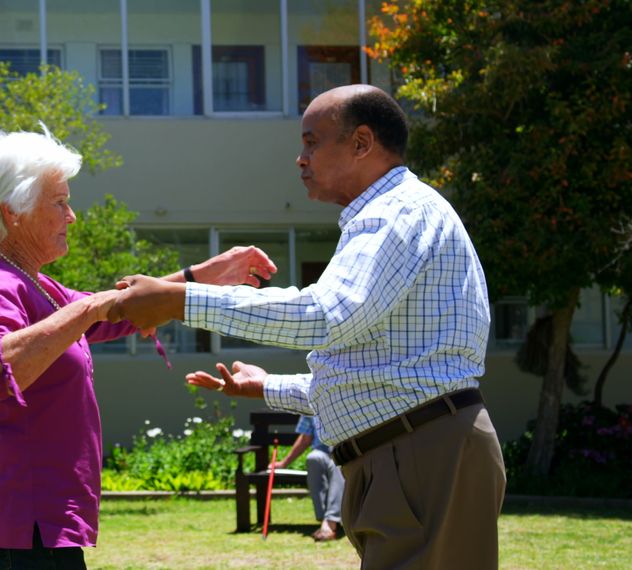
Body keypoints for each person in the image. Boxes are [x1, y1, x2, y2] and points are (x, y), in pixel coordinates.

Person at [107, 85, 506, 569]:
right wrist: (268, 388)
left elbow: (326, 315)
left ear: (362, 142)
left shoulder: (394, 213)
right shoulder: (391, 213)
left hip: (420, 452)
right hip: (414, 449)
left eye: (312, 141)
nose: (300, 159)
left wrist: (180, 300)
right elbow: (381, 374)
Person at [0, 125, 276, 569]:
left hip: (35, 526)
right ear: (13, 213)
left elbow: (111, 312)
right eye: (60, 202)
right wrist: (91, 311)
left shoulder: (33, 283)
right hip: (20, 527)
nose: (72, 216)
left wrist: (201, 276)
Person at [274, 414, 344, 542]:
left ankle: (331, 521)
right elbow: (305, 439)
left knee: (337, 464)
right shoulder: (310, 403)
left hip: (343, 450)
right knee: (312, 458)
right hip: (322, 452)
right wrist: (284, 463)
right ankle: (325, 519)